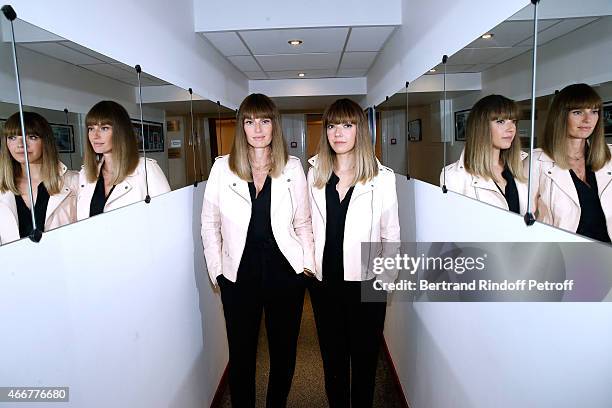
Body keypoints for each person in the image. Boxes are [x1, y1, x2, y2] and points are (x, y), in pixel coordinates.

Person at [201, 93, 315, 407]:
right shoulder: (223, 168)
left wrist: (305, 267)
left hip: (285, 275)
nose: (258, 129)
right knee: (241, 356)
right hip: (238, 275)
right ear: (242, 127)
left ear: (274, 125)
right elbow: (209, 223)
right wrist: (218, 272)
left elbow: (304, 221)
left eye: (264, 120)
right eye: (250, 121)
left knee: (283, 354)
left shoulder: (292, 167)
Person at [307, 98, 400, 408]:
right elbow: (304, 223)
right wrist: (309, 264)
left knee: (365, 362)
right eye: (332, 126)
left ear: (360, 130)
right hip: (325, 285)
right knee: (332, 362)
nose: (338, 133)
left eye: (347, 125)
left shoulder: (381, 177)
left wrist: (383, 280)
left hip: (368, 283)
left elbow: (391, 234)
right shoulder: (314, 174)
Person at [528, 83, 612, 242]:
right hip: (563, 256)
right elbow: (521, 218)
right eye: (578, 112)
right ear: (560, 116)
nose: (588, 119)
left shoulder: (610, 157)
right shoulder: (537, 162)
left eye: (594, 112)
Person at [77, 100, 170, 219]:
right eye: (91, 128)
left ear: (120, 132)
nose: (95, 136)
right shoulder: (85, 175)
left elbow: (167, 218)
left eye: (104, 128)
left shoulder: (147, 170)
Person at [441, 94, 528, 214]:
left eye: (513, 121)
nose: (511, 129)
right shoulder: (455, 177)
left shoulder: (522, 166)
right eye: (501, 121)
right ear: (481, 127)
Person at [0, 111, 77, 244]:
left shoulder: (74, 181)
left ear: (45, 141)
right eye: (12, 137)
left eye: (31, 137)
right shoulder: (3, 186)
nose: (21, 144)